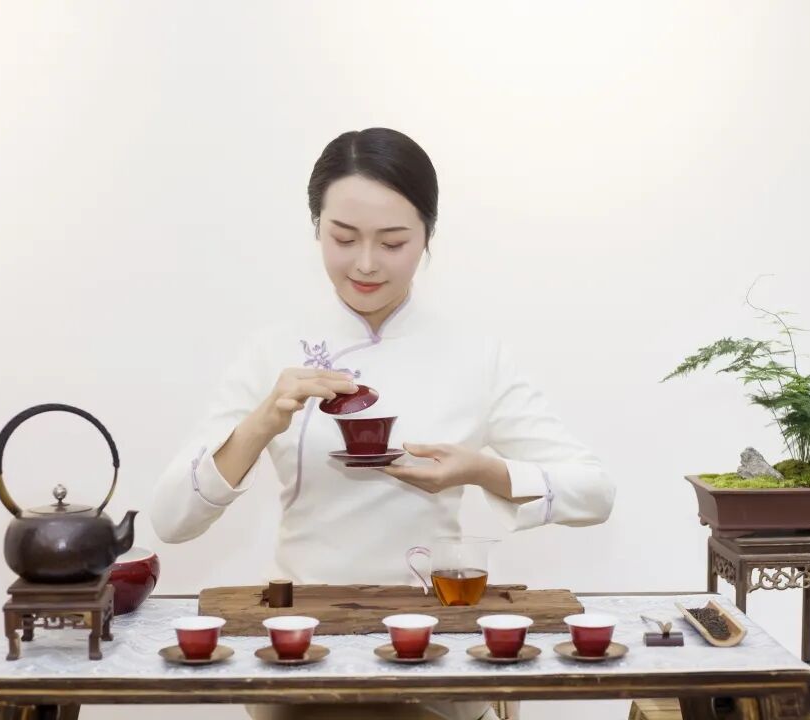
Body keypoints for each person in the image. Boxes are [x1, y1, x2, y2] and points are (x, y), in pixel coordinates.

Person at [151, 127, 615, 720]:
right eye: (343, 238)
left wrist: (479, 471)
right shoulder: (273, 352)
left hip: (438, 652)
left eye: (393, 242)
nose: (366, 264)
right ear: (316, 227)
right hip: (299, 650)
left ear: (427, 236)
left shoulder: (475, 355)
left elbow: (595, 492)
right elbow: (171, 520)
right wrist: (263, 422)